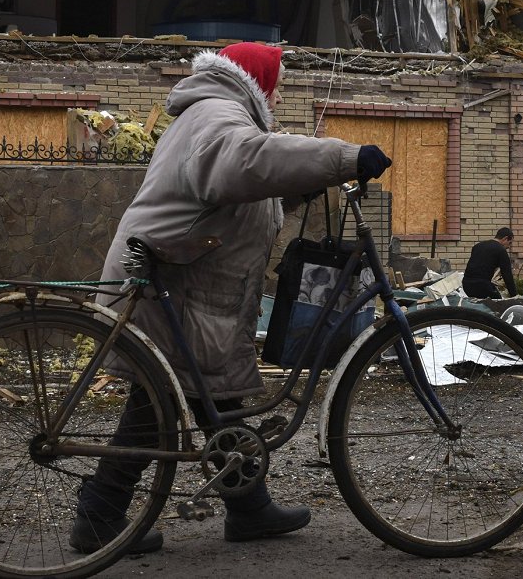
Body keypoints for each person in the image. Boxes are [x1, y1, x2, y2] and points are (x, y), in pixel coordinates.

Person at [73, 41, 392, 554]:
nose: (280, 94)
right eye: (278, 83)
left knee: (214, 400)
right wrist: (343, 158)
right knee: (157, 406)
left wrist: (298, 187)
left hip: (182, 279)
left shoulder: (213, 113)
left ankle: (248, 506)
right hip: (173, 283)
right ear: (255, 79)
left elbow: (231, 193)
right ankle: (99, 516)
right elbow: (241, 163)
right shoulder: (219, 113)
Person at [462, 227, 517, 299]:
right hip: (482, 285)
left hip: (466, 284)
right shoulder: (501, 250)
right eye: (509, 243)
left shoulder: (477, 246)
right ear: (505, 238)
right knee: (498, 304)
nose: (509, 247)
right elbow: (507, 275)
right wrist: (514, 296)